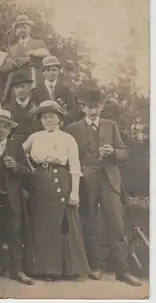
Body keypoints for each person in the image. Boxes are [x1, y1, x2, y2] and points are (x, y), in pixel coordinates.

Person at [65, 86, 142, 286]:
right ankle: (94, 266)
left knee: (116, 223)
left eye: (96, 105)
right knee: (89, 222)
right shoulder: (72, 129)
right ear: (82, 107)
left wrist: (113, 152)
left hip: (109, 180)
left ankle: (122, 271)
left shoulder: (111, 126)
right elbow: (69, 158)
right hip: (86, 181)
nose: (93, 110)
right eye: (89, 106)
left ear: (101, 106)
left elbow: (124, 153)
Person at [22, 100, 90, 279]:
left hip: (62, 181)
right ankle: (44, 269)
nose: (48, 121)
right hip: (40, 182)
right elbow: (20, 153)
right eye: (44, 118)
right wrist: (30, 167)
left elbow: (75, 167)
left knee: (63, 224)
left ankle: (69, 269)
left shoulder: (67, 139)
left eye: (51, 117)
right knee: (42, 224)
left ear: (59, 119)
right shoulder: (35, 137)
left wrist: (74, 193)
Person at [0, 109, 35, 285]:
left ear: (10, 130)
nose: (1, 130)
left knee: (15, 232)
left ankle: (17, 270)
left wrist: (16, 166)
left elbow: (28, 171)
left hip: (12, 196)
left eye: (5, 127)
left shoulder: (16, 146)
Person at [1, 14, 50, 102]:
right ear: (15, 31)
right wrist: (13, 63)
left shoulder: (39, 43)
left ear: (30, 29)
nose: (22, 30)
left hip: (35, 78)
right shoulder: (11, 48)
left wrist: (28, 58)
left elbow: (47, 57)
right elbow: (5, 67)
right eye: (19, 28)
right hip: (17, 81)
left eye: (24, 27)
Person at [33, 55, 76, 125]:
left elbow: (72, 109)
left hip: (61, 126)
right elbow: (34, 111)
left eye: (54, 70)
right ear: (43, 73)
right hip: (42, 126)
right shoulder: (36, 90)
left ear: (58, 72)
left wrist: (65, 121)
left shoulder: (65, 89)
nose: (51, 73)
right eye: (48, 70)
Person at [2, 70, 41, 144]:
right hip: (14, 144)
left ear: (29, 88)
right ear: (13, 89)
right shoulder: (6, 109)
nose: (19, 90)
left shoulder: (38, 107)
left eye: (22, 87)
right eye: (16, 87)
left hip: (34, 143)